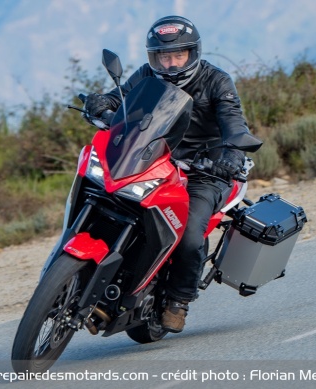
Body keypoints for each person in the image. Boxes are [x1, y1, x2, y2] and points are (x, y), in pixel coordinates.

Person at [83, 15, 253, 333]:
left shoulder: (217, 80)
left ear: (192, 53)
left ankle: (178, 300)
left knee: (188, 233)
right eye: (164, 56)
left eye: (178, 55)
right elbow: (120, 98)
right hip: (156, 162)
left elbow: (233, 122)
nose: (171, 63)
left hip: (206, 171)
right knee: (113, 201)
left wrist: (232, 152)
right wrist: (100, 103)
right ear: (154, 56)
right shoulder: (148, 74)